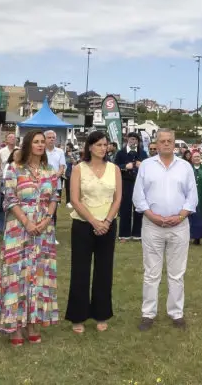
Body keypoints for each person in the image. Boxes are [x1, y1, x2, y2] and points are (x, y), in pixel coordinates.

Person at [0, 130, 61, 345]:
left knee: (38, 274)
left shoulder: (50, 170)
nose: (40, 145)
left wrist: (47, 219)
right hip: (18, 229)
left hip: (44, 231)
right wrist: (28, 222)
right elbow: (10, 199)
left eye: (42, 142)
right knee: (16, 275)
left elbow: (54, 197)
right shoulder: (14, 168)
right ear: (28, 144)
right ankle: (14, 327)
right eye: (36, 142)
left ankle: (33, 323)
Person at [132, 129, 197, 331]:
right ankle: (148, 313)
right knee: (151, 272)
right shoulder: (146, 167)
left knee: (177, 273)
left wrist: (180, 216)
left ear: (174, 144)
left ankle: (176, 313)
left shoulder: (185, 167)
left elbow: (192, 196)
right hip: (152, 225)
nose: (166, 144)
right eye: (162, 141)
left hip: (179, 226)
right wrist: (153, 216)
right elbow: (138, 196)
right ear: (156, 144)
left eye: (170, 141)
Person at [65, 131, 121, 333]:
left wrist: (106, 221)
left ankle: (101, 314)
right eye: (98, 144)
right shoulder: (79, 168)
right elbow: (75, 199)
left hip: (108, 224)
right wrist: (94, 222)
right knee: (80, 270)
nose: (102, 148)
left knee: (104, 271)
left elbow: (117, 199)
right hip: (83, 225)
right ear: (89, 147)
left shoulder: (114, 169)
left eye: (105, 144)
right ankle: (78, 316)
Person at [114, 132, 147, 243]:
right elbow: (114, 167)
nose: (134, 142)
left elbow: (148, 168)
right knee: (125, 208)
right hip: (125, 183)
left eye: (136, 140)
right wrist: (124, 167)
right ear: (128, 140)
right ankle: (124, 234)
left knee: (138, 207)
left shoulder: (142, 153)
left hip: (139, 183)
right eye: (132, 139)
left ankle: (137, 234)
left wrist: (141, 165)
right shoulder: (120, 153)